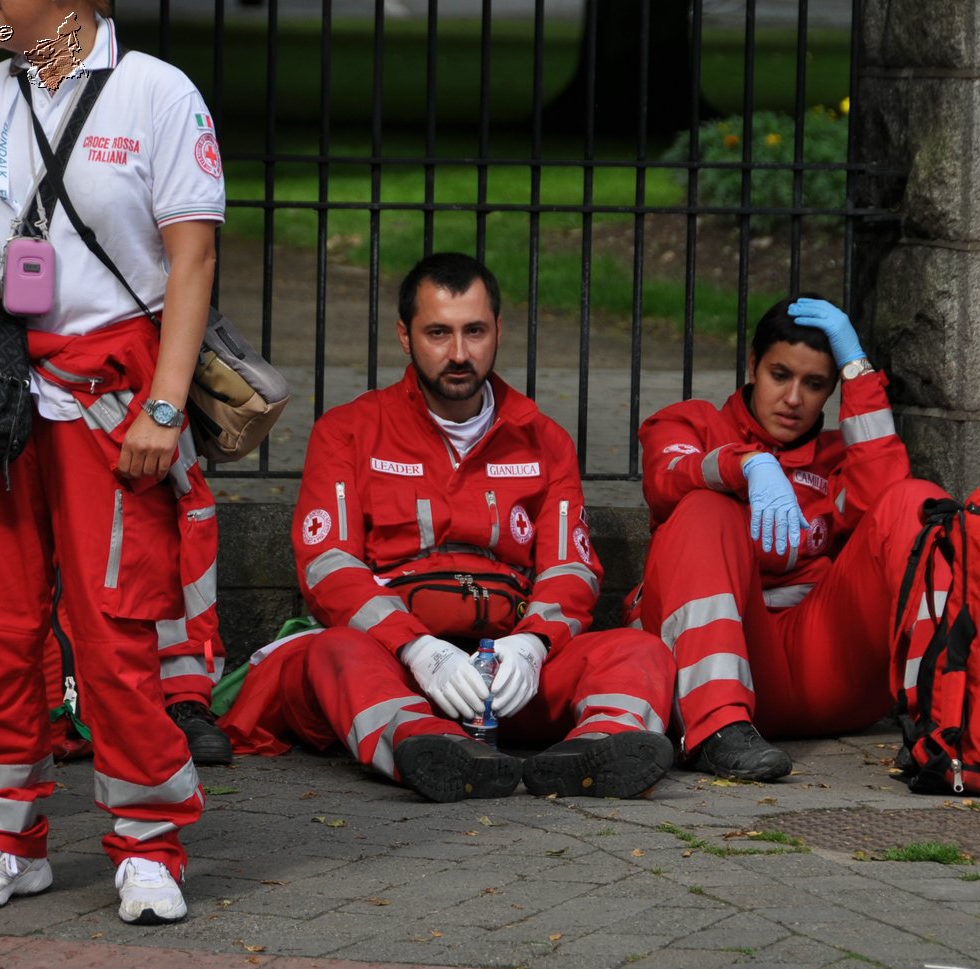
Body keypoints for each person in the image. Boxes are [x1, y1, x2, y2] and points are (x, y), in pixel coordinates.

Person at [0, 0, 225, 924]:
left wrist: (165, 404)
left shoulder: (158, 93)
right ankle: (6, 835)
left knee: (115, 625)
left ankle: (149, 843)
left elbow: (191, 264)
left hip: (112, 400)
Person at [220, 253, 676, 802]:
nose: (459, 354)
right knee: (334, 651)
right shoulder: (348, 431)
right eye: (438, 333)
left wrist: (532, 645)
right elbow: (329, 566)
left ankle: (597, 749)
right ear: (405, 337)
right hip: (389, 664)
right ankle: (429, 747)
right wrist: (418, 650)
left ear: (498, 331)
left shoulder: (544, 439)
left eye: (474, 332)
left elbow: (571, 567)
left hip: (503, 673)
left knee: (639, 651)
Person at [631, 297, 947, 781]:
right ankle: (717, 731)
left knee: (917, 500)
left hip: (824, 661)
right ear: (754, 364)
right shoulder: (689, 423)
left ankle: (944, 723)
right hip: (726, 662)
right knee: (703, 505)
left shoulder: (840, 456)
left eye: (815, 384)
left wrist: (858, 369)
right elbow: (665, 479)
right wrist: (745, 465)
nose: (794, 399)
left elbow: (889, 503)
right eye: (781, 376)